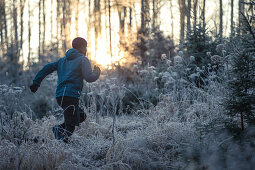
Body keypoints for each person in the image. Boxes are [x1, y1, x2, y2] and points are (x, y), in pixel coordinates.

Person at [30, 37, 101, 143]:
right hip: (71, 96)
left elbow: (46, 68)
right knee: (70, 126)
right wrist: (97, 72)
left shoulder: (62, 60)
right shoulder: (83, 59)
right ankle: (60, 144)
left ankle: (58, 130)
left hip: (60, 96)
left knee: (81, 115)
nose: (86, 50)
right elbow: (89, 78)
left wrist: (36, 82)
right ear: (82, 47)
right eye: (85, 47)